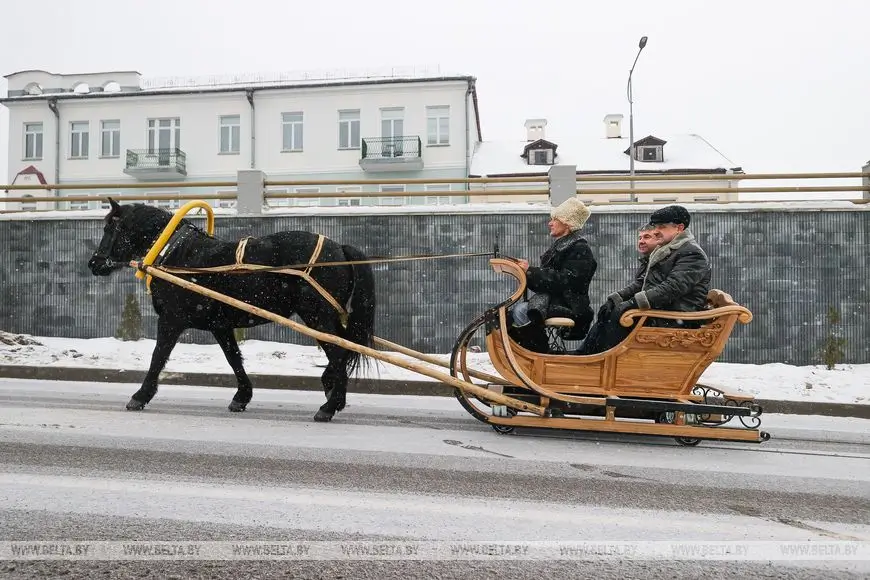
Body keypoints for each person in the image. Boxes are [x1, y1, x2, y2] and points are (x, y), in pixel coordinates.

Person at [575, 205, 711, 355]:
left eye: (662, 226)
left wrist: (633, 303)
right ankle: (586, 354)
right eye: (655, 226)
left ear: (679, 228)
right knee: (610, 312)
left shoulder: (691, 253)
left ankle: (602, 360)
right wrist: (617, 298)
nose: (656, 231)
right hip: (663, 312)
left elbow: (673, 287)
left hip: (676, 318)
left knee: (619, 316)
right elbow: (643, 282)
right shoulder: (668, 250)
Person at [508, 197, 598, 353]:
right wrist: (529, 271)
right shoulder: (565, 245)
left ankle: (538, 354)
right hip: (558, 302)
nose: (550, 223)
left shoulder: (579, 248)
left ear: (568, 223)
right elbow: (551, 280)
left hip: (571, 305)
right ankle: (528, 353)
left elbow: (565, 281)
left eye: (555, 219)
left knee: (522, 311)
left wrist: (530, 271)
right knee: (507, 316)